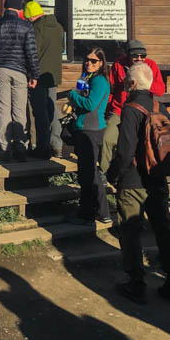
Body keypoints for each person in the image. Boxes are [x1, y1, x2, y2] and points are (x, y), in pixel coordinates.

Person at [109, 62, 170, 303]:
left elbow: (125, 150)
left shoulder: (131, 109)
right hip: (158, 178)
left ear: (131, 83)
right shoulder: (160, 105)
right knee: (163, 230)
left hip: (134, 180)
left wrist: (114, 174)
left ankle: (136, 283)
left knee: (130, 230)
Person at [0, 0, 39, 162]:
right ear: (19, 8)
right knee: (19, 110)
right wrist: (34, 74)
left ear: (5, 6)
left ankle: (4, 148)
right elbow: (31, 53)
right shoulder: (26, 26)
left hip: (0, 69)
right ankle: (21, 147)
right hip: (20, 71)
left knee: (2, 110)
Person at [100, 40, 165, 176]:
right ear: (128, 55)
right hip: (119, 110)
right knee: (107, 138)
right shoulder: (118, 64)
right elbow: (112, 89)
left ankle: (141, 173)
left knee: (140, 142)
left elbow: (160, 90)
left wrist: (140, 80)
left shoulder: (151, 65)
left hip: (142, 110)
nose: (139, 59)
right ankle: (104, 174)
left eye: (142, 56)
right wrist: (108, 108)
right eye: (136, 56)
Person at [67, 48, 111, 226]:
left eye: (94, 61)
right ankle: (100, 212)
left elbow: (91, 104)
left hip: (91, 130)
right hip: (84, 128)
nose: (89, 63)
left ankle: (89, 213)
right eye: (86, 59)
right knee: (88, 173)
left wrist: (72, 96)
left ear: (101, 63)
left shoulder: (100, 80)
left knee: (89, 174)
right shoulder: (87, 78)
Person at [24, 0, 64, 159]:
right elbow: (61, 48)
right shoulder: (59, 27)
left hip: (38, 75)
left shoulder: (36, 28)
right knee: (52, 109)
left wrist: (31, 74)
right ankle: (57, 145)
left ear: (30, 16)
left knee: (40, 112)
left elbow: (33, 52)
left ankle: (43, 148)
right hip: (53, 75)